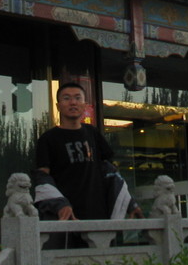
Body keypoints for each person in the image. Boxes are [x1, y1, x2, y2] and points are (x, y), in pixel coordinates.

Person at [34, 82, 142, 226]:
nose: (73, 102)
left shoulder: (93, 133)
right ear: (58, 106)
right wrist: (58, 204)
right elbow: (42, 176)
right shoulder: (48, 139)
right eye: (66, 98)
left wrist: (130, 203)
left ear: (85, 105)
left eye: (77, 98)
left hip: (98, 213)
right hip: (65, 217)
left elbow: (109, 172)